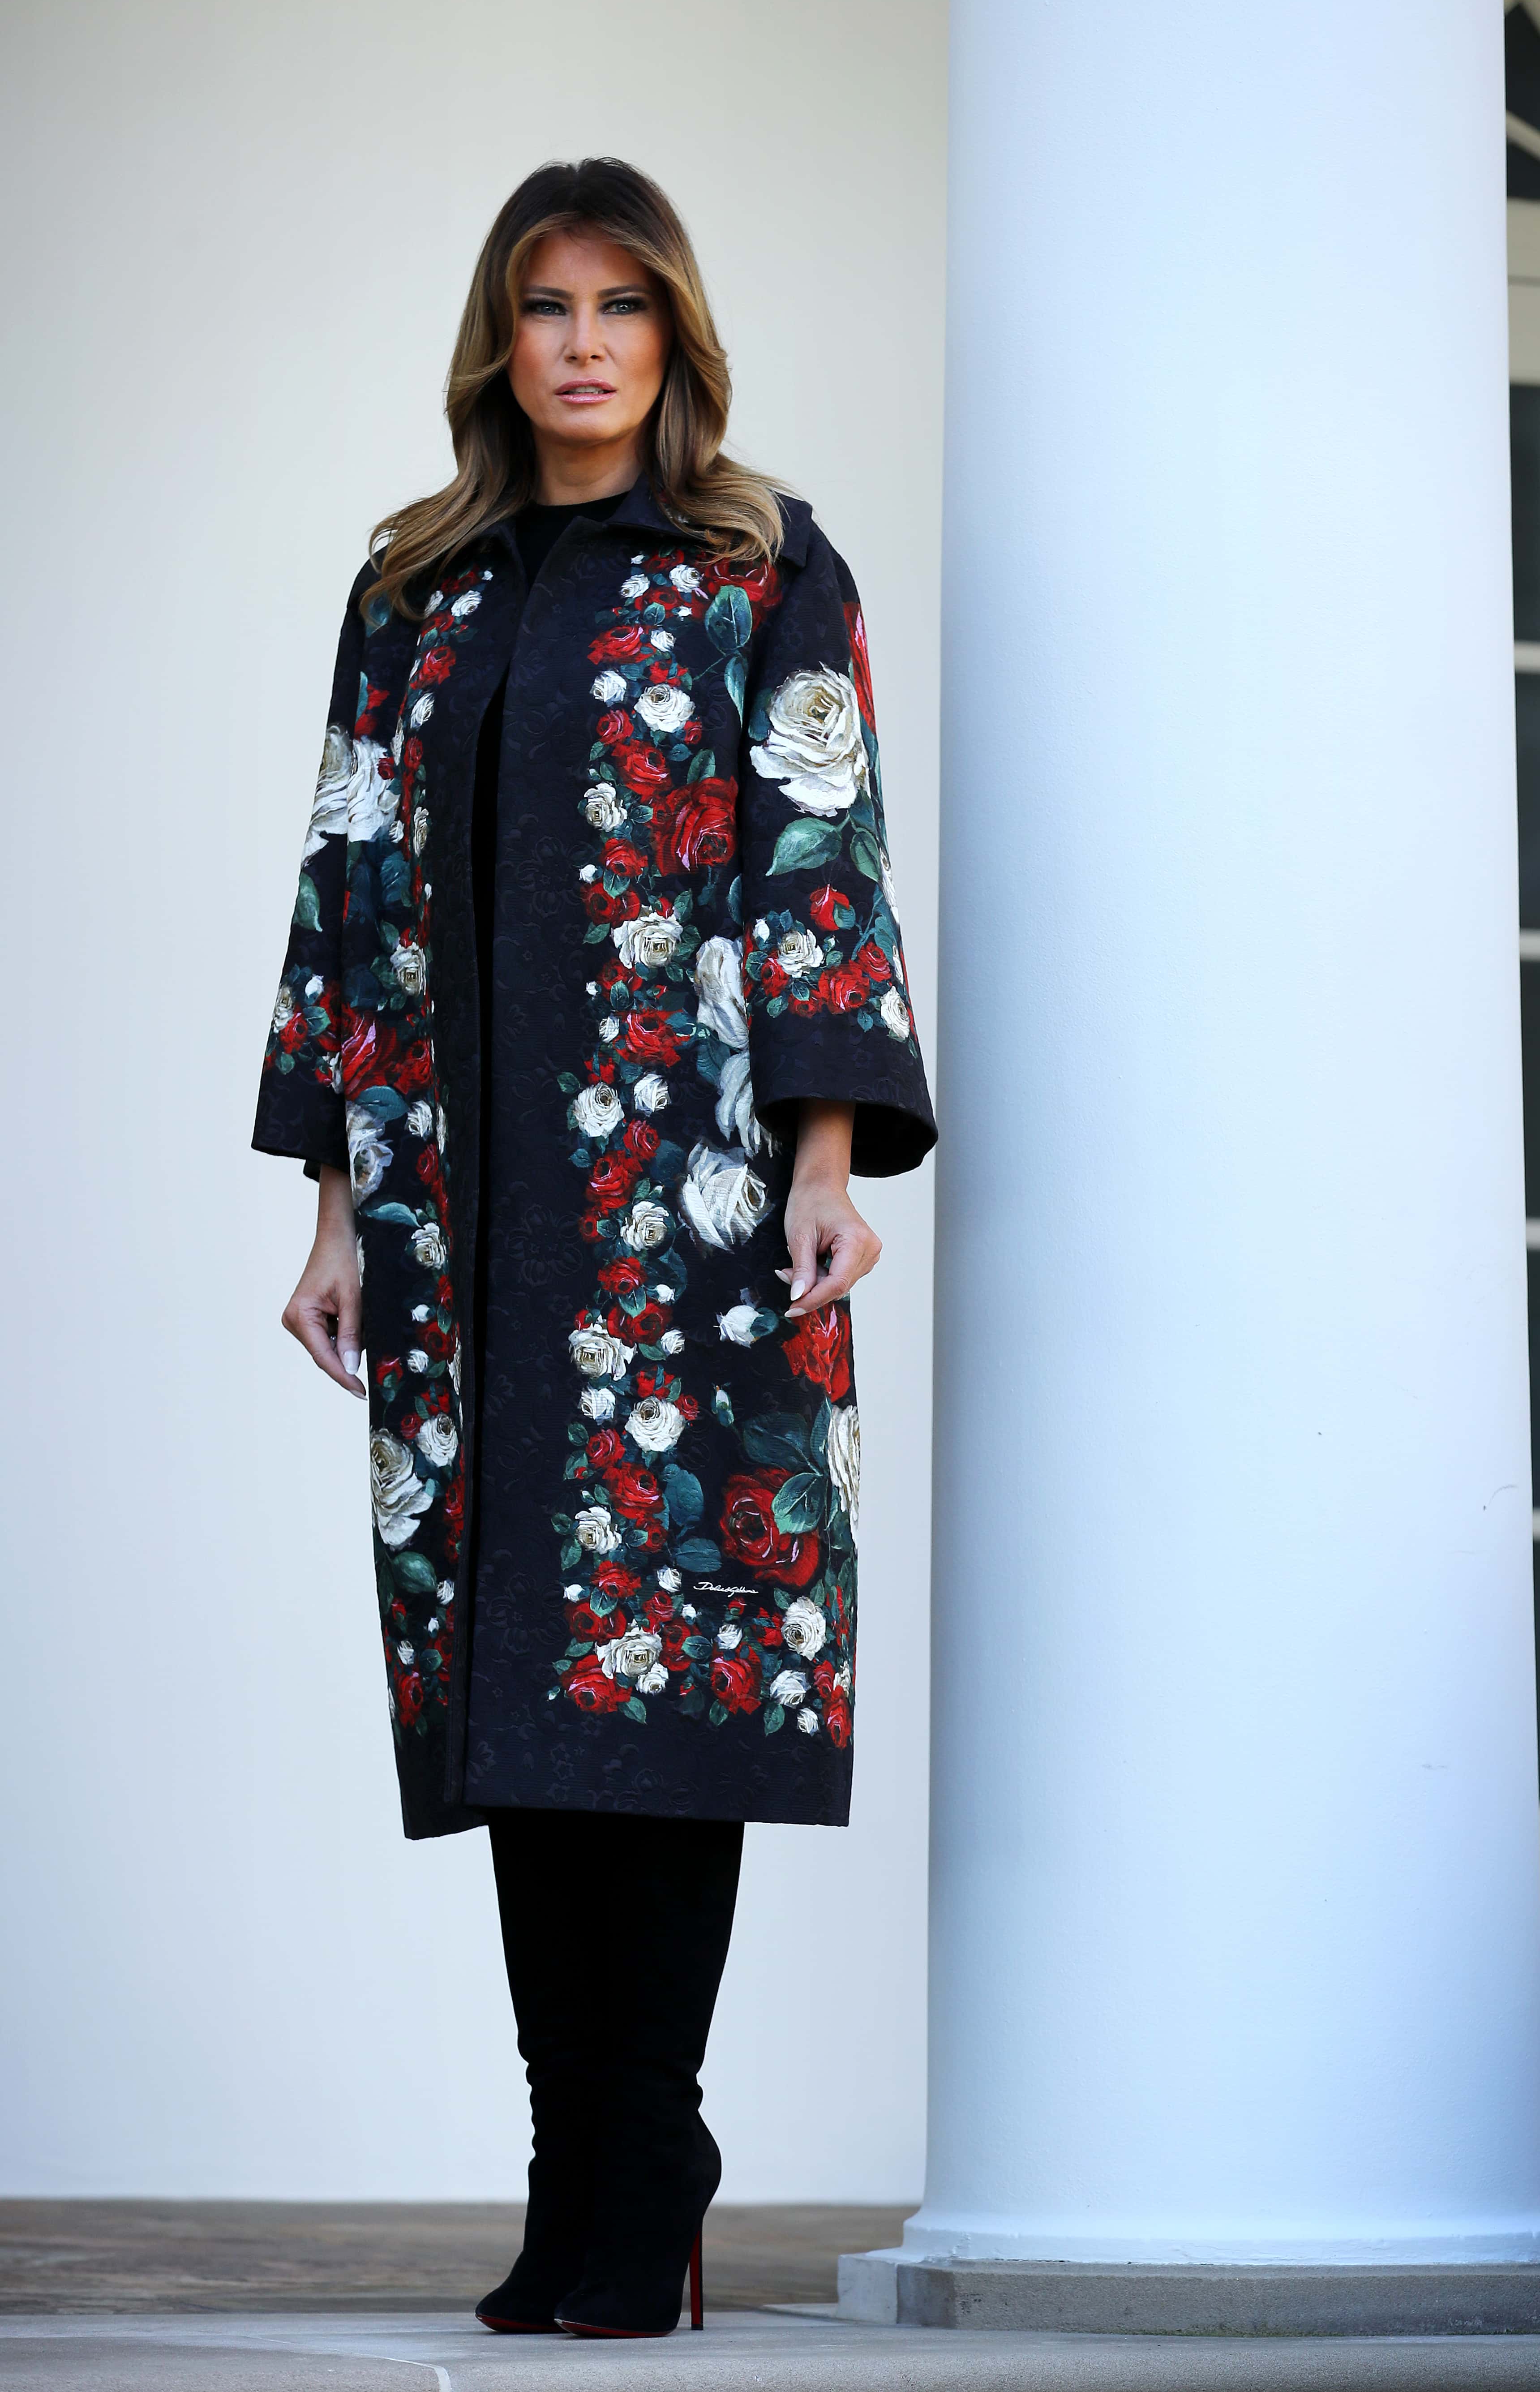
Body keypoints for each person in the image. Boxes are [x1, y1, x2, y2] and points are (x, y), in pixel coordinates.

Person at [252, 155, 937, 2340]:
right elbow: (347, 892)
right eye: (546, 305)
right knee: (514, 1704)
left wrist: (824, 1163)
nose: (581, 343)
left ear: (672, 336)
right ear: (500, 337)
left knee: (662, 1678)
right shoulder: (414, 589)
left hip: (687, 1218)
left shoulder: (757, 566)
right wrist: (336, 1204)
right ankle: (577, 2179)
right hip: (459, 1226)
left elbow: (819, 854)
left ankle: (646, 2164)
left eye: (620, 305)